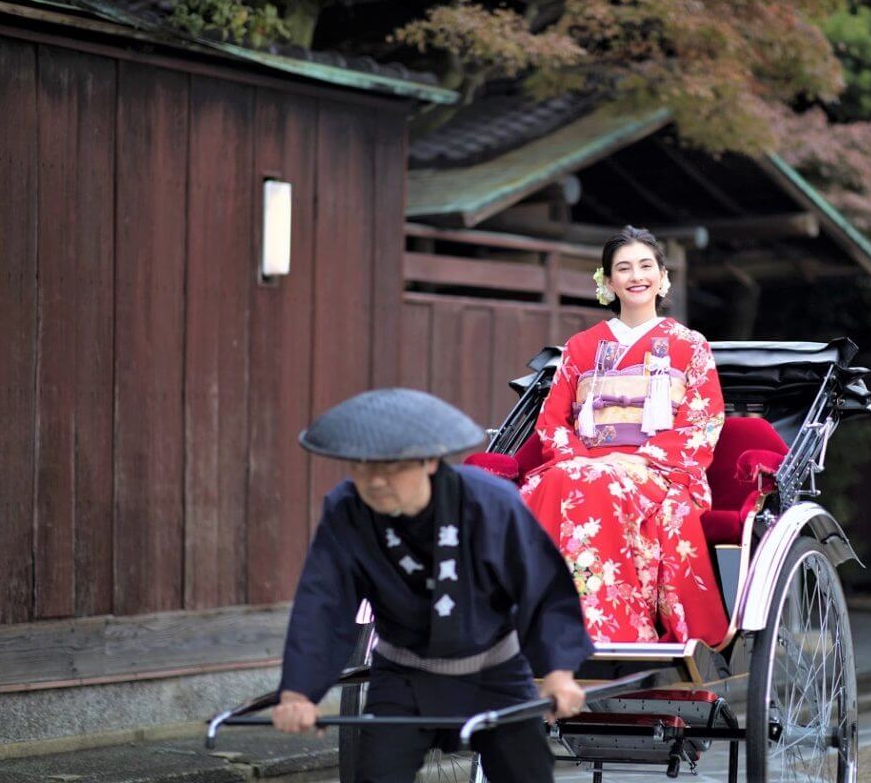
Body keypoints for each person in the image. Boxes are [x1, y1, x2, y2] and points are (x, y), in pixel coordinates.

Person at [271, 388, 593, 783]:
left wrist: (558, 672)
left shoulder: (489, 502)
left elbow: (541, 589)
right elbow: (323, 603)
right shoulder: (347, 510)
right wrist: (299, 692)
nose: (374, 481)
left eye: (390, 467)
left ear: (428, 461)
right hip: (404, 673)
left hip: (495, 671)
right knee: (375, 777)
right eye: (361, 466)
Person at [520, 226, 729, 646]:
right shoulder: (580, 347)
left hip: (655, 469)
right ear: (608, 281)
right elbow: (552, 422)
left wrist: (640, 460)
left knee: (593, 483)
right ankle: (532, 623)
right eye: (624, 268)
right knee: (548, 482)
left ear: (662, 276)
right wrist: (582, 458)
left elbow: (702, 420)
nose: (636, 276)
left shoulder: (690, 345)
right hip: (581, 462)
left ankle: (609, 629)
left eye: (646, 266)